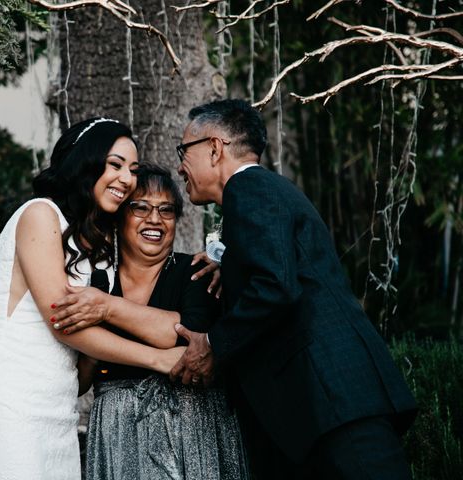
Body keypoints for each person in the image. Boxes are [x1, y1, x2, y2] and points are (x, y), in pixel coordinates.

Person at [170, 99, 417, 480]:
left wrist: (214, 344)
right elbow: (283, 271)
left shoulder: (248, 189)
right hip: (325, 408)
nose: (179, 165)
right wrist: (232, 271)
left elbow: (276, 287)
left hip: (332, 403)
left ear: (215, 148)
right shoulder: (265, 191)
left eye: (183, 150)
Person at [0, 118, 186, 480]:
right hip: (12, 401)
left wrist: (216, 262)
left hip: (61, 407)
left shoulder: (99, 245)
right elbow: (62, 324)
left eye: (132, 169)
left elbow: (83, 370)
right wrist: (158, 360)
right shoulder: (39, 214)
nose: (127, 178)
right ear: (86, 161)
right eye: (115, 165)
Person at [50, 165, 249, 479]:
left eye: (166, 210)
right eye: (140, 207)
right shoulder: (97, 279)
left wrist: (106, 311)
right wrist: (91, 346)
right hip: (116, 433)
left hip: (188, 430)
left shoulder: (195, 271)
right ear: (118, 217)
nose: (154, 219)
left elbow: (187, 337)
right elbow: (82, 381)